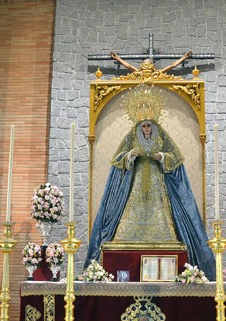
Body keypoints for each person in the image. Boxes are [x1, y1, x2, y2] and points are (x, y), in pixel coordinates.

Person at [85, 87, 215, 279]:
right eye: (143, 126)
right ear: (139, 127)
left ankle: (163, 235)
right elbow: (118, 159)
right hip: (137, 181)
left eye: (148, 125)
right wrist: (131, 155)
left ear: (153, 126)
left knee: (160, 209)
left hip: (156, 180)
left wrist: (161, 156)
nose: (146, 129)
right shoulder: (132, 138)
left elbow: (175, 157)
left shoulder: (161, 138)